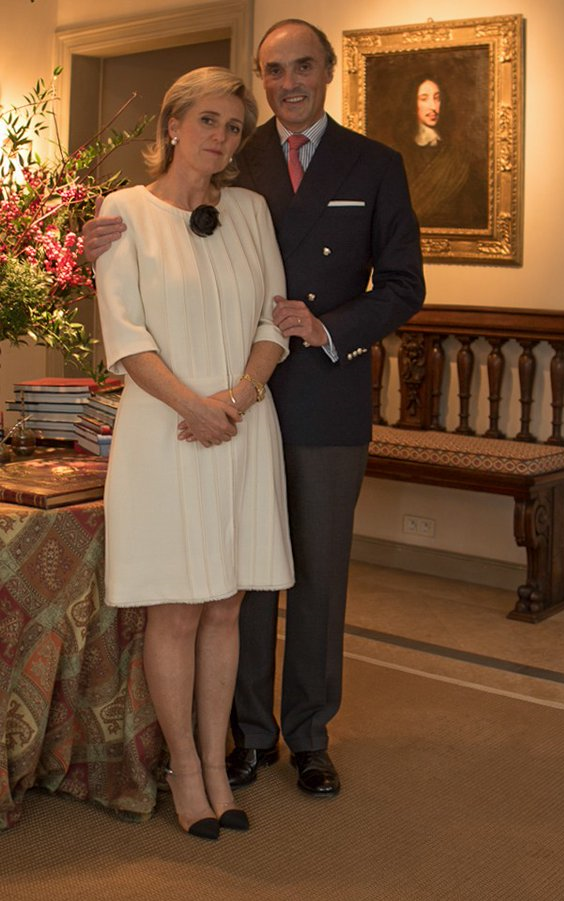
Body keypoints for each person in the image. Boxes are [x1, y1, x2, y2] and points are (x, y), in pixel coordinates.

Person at [84, 19, 425, 798]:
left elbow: (405, 284)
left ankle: (309, 735)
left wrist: (327, 329)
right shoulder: (240, 155)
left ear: (327, 71)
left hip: (317, 392)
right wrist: (91, 241)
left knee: (316, 577)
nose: (288, 83)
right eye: (274, 70)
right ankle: (247, 734)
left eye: (302, 67)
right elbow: (154, 235)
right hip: (225, 404)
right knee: (238, 584)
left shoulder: (375, 164)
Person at [93, 66, 294, 839]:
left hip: (241, 426)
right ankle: (183, 767)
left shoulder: (250, 211)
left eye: (234, 125)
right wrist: (195, 407)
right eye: (207, 119)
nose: (221, 136)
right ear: (172, 125)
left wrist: (235, 400)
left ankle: (217, 763)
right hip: (167, 432)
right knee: (177, 607)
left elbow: (273, 322)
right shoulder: (124, 212)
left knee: (226, 603)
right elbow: (126, 335)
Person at [395, 73, 488, 229]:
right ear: (412, 103)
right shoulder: (399, 153)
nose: (433, 106)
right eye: (424, 99)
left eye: (437, 98)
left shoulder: (458, 156)